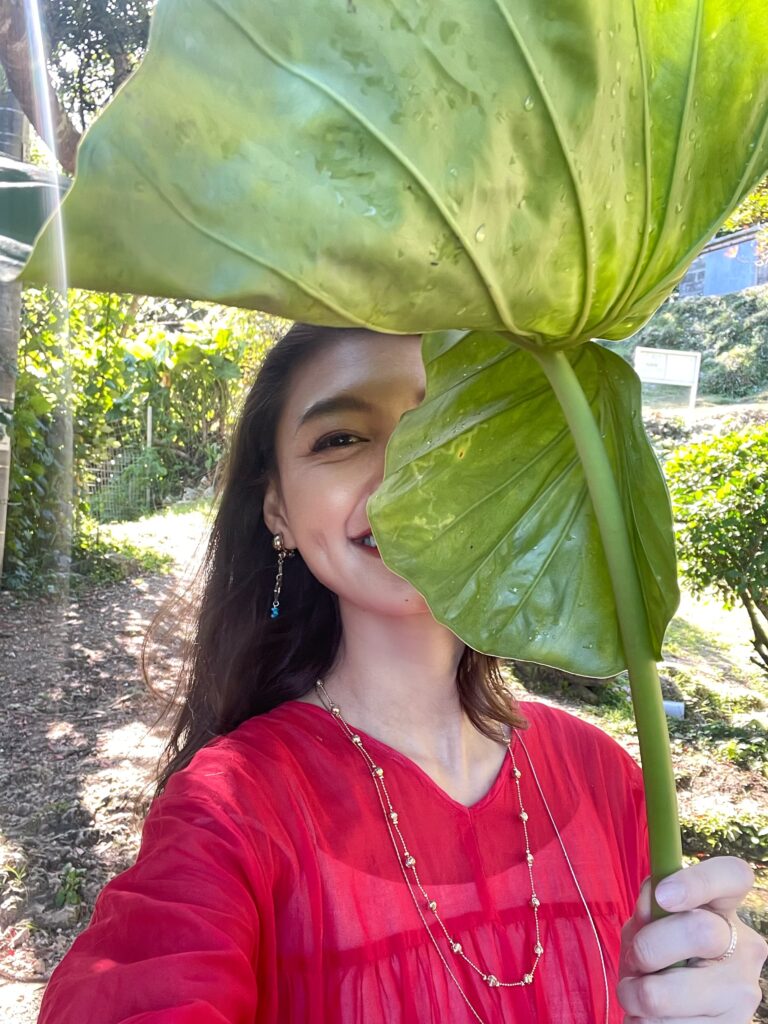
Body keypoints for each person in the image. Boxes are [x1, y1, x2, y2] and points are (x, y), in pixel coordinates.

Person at [38, 324, 766, 1023]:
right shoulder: (228, 811)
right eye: (341, 438)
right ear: (277, 508)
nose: (405, 473)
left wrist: (703, 994)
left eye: (444, 422)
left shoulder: (606, 776)